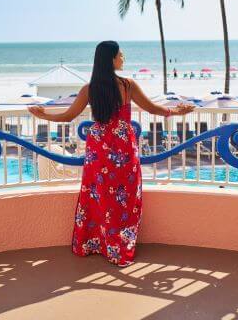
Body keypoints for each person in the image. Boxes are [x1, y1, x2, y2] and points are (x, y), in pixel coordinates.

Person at [28, 41, 194, 266]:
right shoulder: (127, 85)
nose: (123, 58)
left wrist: (45, 116)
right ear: (111, 59)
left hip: (98, 146)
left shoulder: (90, 88)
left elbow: (68, 116)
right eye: (120, 55)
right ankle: (117, 247)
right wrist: (176, 111)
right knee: (125, 195)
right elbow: (153, 109)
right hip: (122, 145)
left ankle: (92, 243)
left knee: (97, 194)